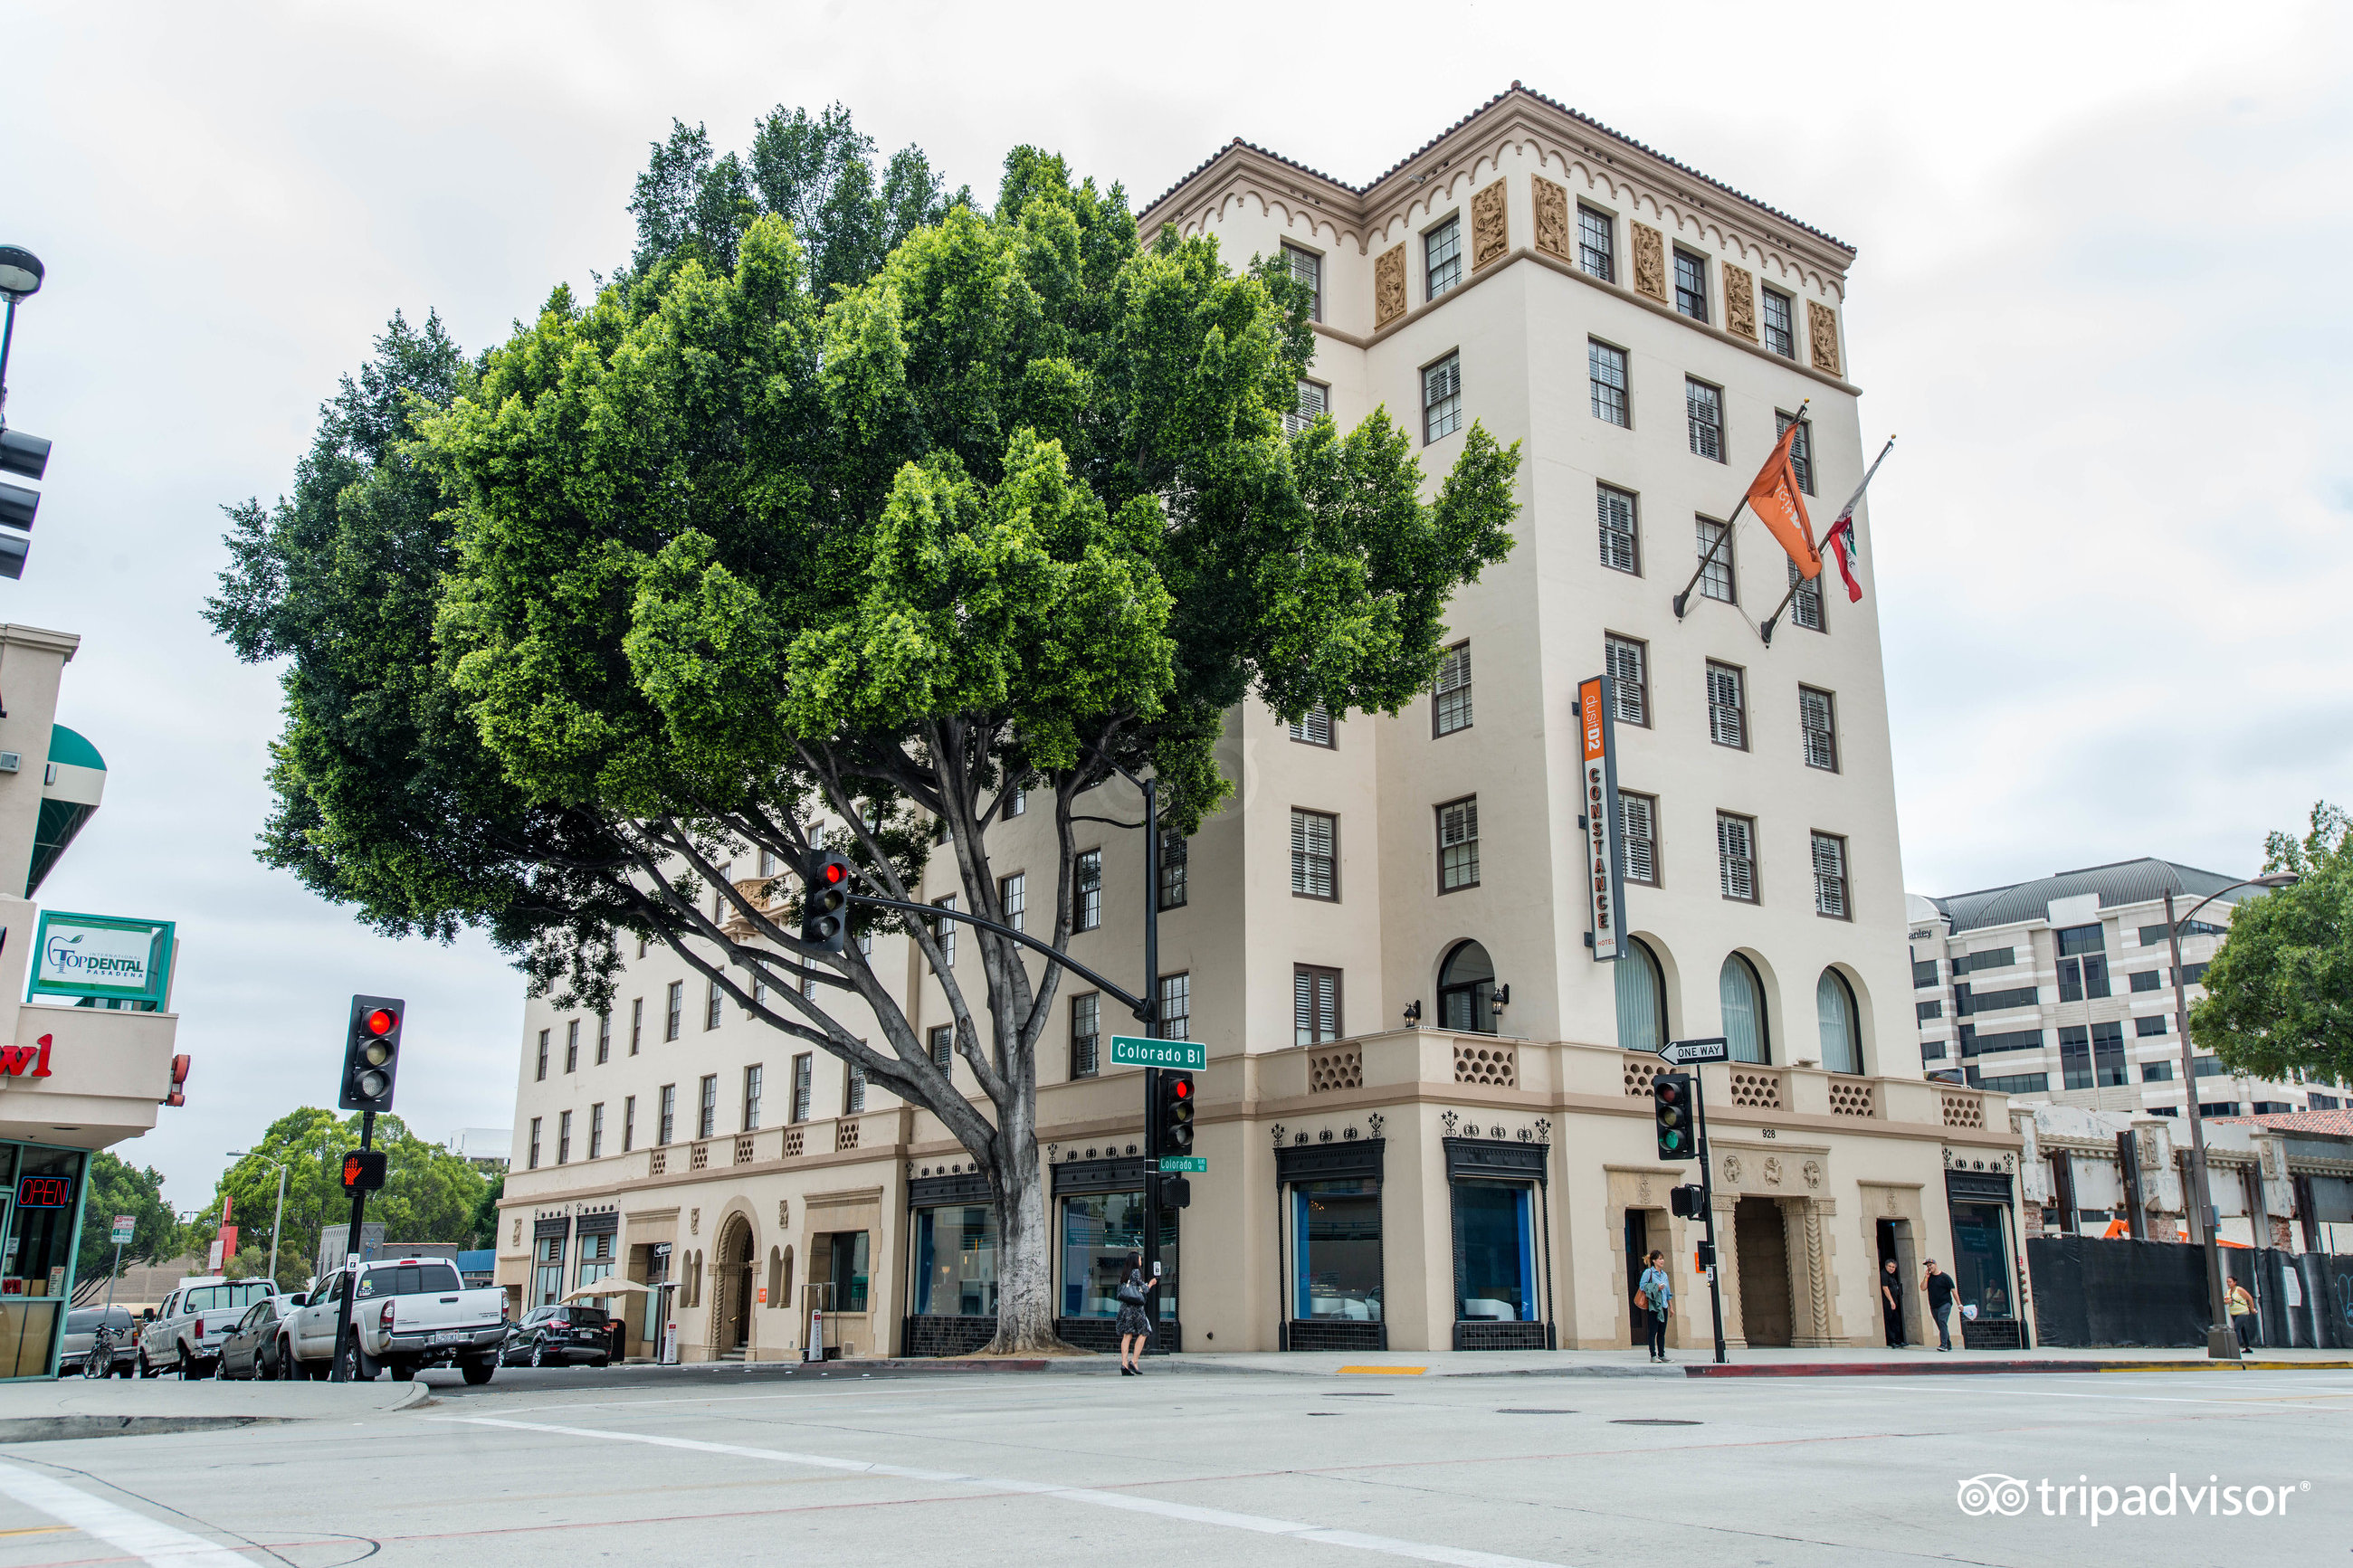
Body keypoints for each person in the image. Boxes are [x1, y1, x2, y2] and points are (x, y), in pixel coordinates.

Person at [1115, 1251, 1155, 1374]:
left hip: (1125, 1308)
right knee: (1145, 1331)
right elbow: (1144, 1289)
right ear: (1136, 1261)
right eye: (1140, 1259)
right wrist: (1151, 1283)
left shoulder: (1124, 1274)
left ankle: (1124, 1364)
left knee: (1127, 1335)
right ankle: (1134, 1361)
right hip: (1136, 1309)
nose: (1141, 1261)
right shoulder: (1136, 1272)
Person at [1635, 1250, 1673, 1363]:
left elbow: (1668, 1293)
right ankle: (1653, 1355)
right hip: (1654, 1306)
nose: (1662, 1261)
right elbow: (1642, 1286)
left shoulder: (1664, 1275)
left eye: (1662, 1259)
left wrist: (1671, 1307)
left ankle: (1662, 1355)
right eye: (1660, 1259)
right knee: (1653, 1331)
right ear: (1654, 1261)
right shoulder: (1649, 1272)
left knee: (1662, 1332)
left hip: (1663, 1306)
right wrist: (1656, 1287)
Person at [1922, 1260, 1958, 1352]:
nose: (1929, 1267)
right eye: (1928, 1266)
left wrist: (1959, 1304)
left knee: (1942, 1321)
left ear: (1935, 1265)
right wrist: (1926, 1277)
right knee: (1941, 1325)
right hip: (1934, 1305)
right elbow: (1923, 1288)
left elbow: (1953, 1291)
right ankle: (1948, 1344)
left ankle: (1943, 1345)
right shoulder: (1929, 1278)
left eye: (1931, 1265)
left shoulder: (1945, 1277)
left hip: (1945, 1304)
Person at [2224, 1278, 2260, 1350]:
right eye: (2227, 1282)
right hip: (2234, 1313)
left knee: (2237, 1327)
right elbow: (2225, 1301)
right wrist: (2227, 1302)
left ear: (2235, 1282)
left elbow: (2249, 1298)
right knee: (2242, 1329)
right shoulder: (2228, 1292)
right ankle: (2248, 1346)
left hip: (2242, 1312)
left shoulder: (2239, 1290)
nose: (2228, 1283)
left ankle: (2239, 1343)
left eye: (2230, 1282)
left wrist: (2252, 1309)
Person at [1880, 1258, 1905, 1347]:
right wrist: (1891, 1301)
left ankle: (1898, 1340)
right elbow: (1885, 1288)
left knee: (1896, 1321)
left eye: (1893, 1267)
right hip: (1888, 1303)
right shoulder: (1884, 1274)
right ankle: (1892, 1341)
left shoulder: (1892, 1275)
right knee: (1889, 1321)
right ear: (1886, 1266)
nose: (1891, 1268)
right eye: (1890, 1266)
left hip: (1894, 1301)